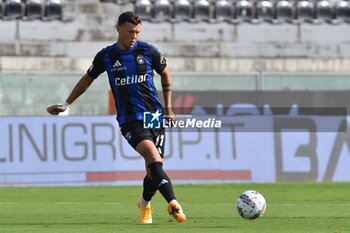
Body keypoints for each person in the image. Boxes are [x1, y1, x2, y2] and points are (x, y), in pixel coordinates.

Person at [46, 11, 186, 224]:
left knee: (153, 170)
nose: (134, 36)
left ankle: (144, 204)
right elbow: (88, 78)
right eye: (130, 32)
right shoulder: (106, 56)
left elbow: (165, 73)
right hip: (129, 119)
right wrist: (66, 104)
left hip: (154, 117)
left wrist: (168, 108)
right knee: (153, 158)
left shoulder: (148, 51)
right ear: (118, 29)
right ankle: (173, 203)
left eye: (137, 32)